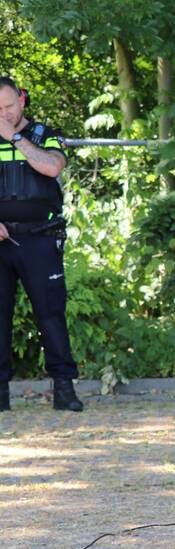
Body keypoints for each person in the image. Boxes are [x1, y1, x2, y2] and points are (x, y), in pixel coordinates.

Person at [0, 76, 83, 412]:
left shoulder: (44, 135)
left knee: (50, 315)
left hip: (40, 239)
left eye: (7, 106)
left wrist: (14, 137)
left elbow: (52, 167)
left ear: (22, 100)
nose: (3, 114)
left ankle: (64, 388)